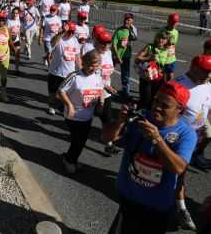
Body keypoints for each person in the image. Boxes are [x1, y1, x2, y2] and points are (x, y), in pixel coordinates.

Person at [104, 81, 197, 234]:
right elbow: (106, 136)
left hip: (158, 206)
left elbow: (179, 167)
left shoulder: (186, 133)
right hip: (129, 198)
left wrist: (157, 139)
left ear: (179, 109)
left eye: (165, 105)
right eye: (156, 101)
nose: (157, 107)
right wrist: (120, 121)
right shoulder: (141, 118)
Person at [173, 54, 211, 230]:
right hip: (176, 138)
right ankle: (180, 209)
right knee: (177, 173)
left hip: (194, 138)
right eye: (205, 71)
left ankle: (177, 206)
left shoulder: (207, 86)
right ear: (193, 68)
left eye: (210, 72)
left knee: (180, 173)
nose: (208, 75)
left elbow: (206, 107)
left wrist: (205, 124)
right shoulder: (179, 85)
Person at [59, 50, 104, 173]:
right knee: (77, 141)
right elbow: (61, 91)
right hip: (73, 116)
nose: (92, 68)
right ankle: (69, 161)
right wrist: (70, 105)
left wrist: (101, 103)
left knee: (81, 141)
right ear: (83, 63)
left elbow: (101, 91)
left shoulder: (97, 77)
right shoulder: (75, 76)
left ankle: (70, 158)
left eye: (95, 65)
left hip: (87, 117)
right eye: (90, 65)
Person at [48, 21, 82, 115]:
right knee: (53, 92)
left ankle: (63, 106)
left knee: (66, 93)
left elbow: (77, 56)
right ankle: (51, 106)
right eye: (69, 31)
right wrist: (62, 32)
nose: (71, 33)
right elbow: (52, 43)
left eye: (73, 32)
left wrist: (81, 69)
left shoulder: (74, 40)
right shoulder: (60, 38)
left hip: (69, 73)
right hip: (56, 71)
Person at [135, 32, 170, 110]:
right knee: (145, 98)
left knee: (154, 99)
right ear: (156, 38)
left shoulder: (167, 50)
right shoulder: (150, 47)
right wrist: (149, 58)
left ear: (167, 41)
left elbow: (166, 66)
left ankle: (148, 116)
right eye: (160, 38)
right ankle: (138, 115)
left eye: (164, 39)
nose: (161, 40)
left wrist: (165, 80)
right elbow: (137, 58)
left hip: (158, 79)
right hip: (147, 78)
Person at [112, 13, 138, 98]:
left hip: (126, 56)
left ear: (132, 21)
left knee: (125, 75)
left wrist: (132, 28)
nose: (126, 21)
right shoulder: (119, 30)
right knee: (109, 71)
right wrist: (118, 57)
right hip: (116, 55)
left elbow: (135, 37)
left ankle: (125, 92)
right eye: (126, 19)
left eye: (129, 20)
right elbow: (114, 44)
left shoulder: (131, 30)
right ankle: (104, 87)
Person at [157, 13, 179, 81]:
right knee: (163, 76)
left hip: (171, 58)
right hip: (162, 58)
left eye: (175, 22)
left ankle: (169, 87)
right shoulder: (162, 30)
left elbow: (174, 43)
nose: (173, 24)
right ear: (168, 21)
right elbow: (156, 42)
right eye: (172, 22)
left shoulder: (176, 32)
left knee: (170, 75)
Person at [7, 7, 22, 74]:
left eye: (17, 13)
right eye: (14, 13)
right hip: (9, 39)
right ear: (12, 13)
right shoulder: (8, 21)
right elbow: (7, 32)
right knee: (8, 54)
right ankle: (5, 67)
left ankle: (17, 69)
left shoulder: (18, 21)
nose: (15, 14)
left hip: (16, 39)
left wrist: (20, 38)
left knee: (17, 54)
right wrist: (9, 41)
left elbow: (18, 30)